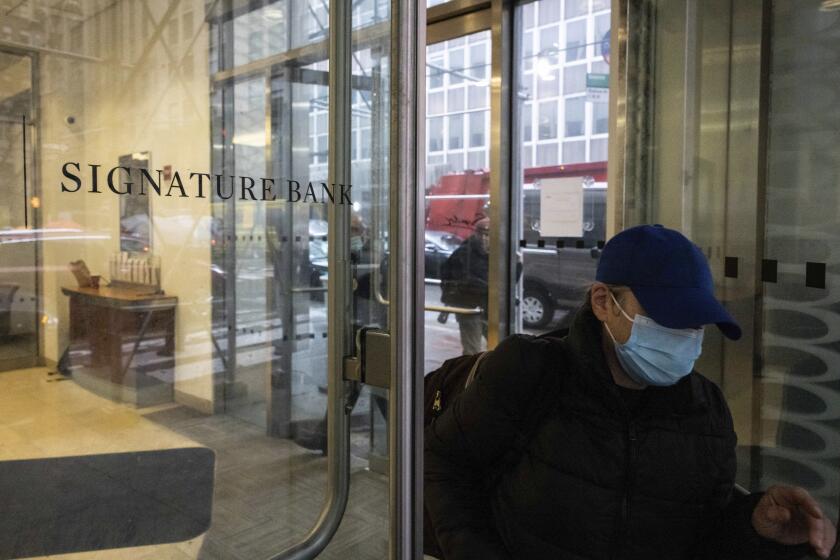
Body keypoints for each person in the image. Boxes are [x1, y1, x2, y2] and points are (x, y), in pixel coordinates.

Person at [424, 224, 837, 559]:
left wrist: (755, 526)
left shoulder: (706, 411)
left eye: (695, 323)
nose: (684, 336)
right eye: (666, 317)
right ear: (604, 303)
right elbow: (445, 465)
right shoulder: (529, 372)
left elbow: (703, 534)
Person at [440, 217, 490, 355]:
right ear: (478, 235)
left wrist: (518, 265)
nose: (488, 240)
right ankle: (470, 375)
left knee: (500, 348)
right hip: (469, 307)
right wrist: (491, 289)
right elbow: (467, 281)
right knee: (472, 351)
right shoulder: (464, 253)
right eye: (486, 235)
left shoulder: (494, 255)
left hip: (487, 307)